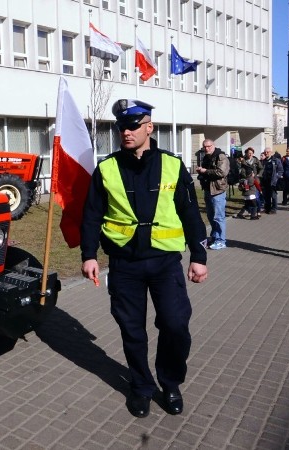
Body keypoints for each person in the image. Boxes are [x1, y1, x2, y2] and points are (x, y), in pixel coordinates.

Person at [80, 99, 208, 418]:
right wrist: (88, 255)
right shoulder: (106, 168)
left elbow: (189, 212)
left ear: (149, 126)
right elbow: (92, 215)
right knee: (132, 330)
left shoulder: (172, 165)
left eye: (133, 125)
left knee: (175, 324)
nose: (126, 131)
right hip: (124, 265)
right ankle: (141, 386)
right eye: (121, 126)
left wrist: (199, 255)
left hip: (165, 263)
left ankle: (171, 382)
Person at [196, 139, 229, 250]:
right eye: (204, 147)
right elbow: (206, 171)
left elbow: (222, 172)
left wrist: (205, 171)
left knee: (218, 216)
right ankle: (215, 236)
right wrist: (201, 173)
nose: (207, 148)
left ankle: (221, 240)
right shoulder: (206, 157)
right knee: (210, 215)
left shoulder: (221, 156)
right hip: (207, 189)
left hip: (218, 190)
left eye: (209, 146)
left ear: (213, 145)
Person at [260, 148, 283, 214]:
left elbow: (280, 170)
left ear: (271, 152)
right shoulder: (262, 161)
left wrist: (277, 177)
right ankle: (267, 208)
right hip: (265, 181)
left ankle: (274, 209)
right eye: (265, 152)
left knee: (273, 195)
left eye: (268, 152)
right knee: (266, 195)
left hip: (273, 181)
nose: (266, 153)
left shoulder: (276, 160)